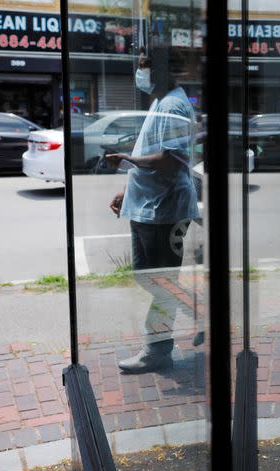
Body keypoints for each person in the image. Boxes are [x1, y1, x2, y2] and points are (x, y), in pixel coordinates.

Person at [107, 46, 199, 374]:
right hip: (148, 206)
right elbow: (152, 153)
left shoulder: (173, 103)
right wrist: (127, 188)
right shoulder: (160, 101)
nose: (140, 71)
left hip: (165, 209)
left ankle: (158, 350)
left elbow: (171, 160)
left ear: (162, 70)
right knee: (149, 276)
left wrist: (128, 160)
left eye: (145, 65)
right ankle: (197, 312)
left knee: (159, 280)